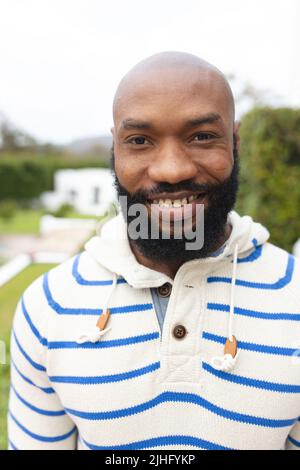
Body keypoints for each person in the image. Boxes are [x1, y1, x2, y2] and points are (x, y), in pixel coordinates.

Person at [8, 51, 300, 450]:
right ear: (115, 149)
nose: (171, 170)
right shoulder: (47, 307)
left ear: (235, 141)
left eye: (201, 136)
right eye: (140, 141)